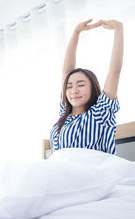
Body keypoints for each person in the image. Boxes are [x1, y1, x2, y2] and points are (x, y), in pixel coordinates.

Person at [50, 18, 124, 154]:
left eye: (81, 84)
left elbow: (114, 71)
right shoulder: (64, 114)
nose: (74, 90)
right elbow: (66, 72)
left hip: (90, 172)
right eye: (69, 86)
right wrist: (76, 32)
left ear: (93, 88)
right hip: (59, 172)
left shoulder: (100, 113)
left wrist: (118, 29)